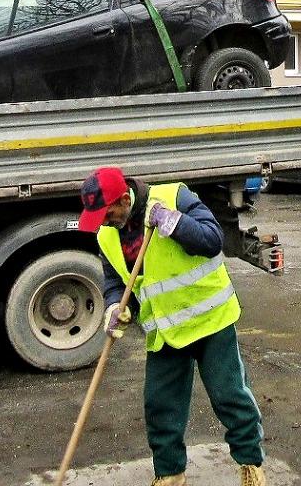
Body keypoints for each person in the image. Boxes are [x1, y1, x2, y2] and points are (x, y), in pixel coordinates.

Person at [78, 167, 266, 486]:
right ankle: (170, 474)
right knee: (160, 406)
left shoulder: (173, 197)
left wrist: (174, 222)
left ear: (125, 199)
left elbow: (212, 241)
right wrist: (114, 306)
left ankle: (250, 464)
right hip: (163, 329)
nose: (103, 221)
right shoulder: (106, 235)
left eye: (107, 213)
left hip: (209, 321)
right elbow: (114, 281)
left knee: (229, 396)